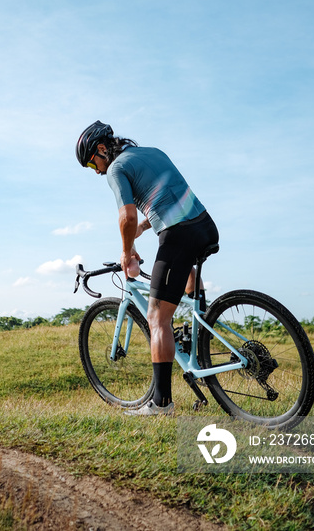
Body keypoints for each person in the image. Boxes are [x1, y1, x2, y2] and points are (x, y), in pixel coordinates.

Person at [76, 121, 219, 416]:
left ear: (102, 149)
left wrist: (128, 252)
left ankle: (161, 404)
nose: (97, 171)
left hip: (178, 233)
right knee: (184, 271)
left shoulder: (115, 170)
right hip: (204, 226)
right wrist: (144, 227)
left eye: (93, 164)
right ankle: (197, 343)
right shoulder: (152, 152)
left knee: (157, 318)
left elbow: (126, 217)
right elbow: (166, 197)